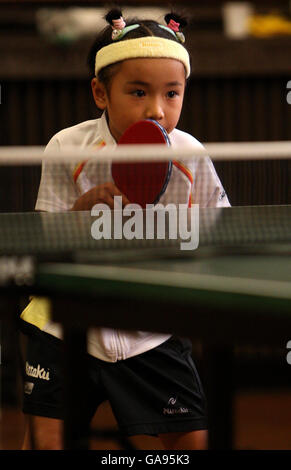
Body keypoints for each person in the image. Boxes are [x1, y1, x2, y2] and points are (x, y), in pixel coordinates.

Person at [20, 9, 230, 450]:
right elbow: (42, 241)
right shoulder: (66, 148)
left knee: (191, 443)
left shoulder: (189, 153)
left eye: (172, 94)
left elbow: (221, 227)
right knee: (46, 442)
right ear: (101, 92)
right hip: (64, 324)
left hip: (149, 324)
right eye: (138, 92)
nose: (156, 108)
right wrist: (80, 211)